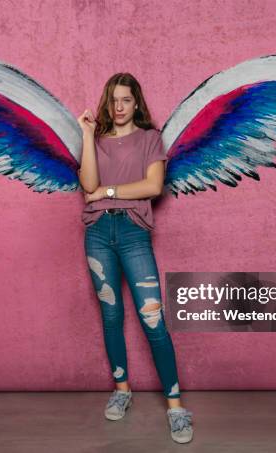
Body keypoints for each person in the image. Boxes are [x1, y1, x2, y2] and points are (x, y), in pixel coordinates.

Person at [77, 73, 193, 444]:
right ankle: (122, 389)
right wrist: (84, 135)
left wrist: (109, 192)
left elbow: (153, 186)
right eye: (113, 100)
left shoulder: (150, 139)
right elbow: (88, 186)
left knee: (152, 317)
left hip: (132, 233)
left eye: (126, 100)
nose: (119, 107)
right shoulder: (96, 140)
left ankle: (175, 407)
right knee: (111, 315)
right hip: (97, 234)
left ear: (136, 102)